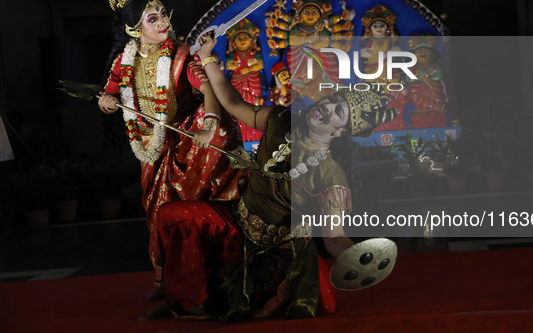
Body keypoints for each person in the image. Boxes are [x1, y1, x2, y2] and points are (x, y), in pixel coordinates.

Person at [142, 33, 397, 320]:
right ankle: (177, 296)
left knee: (322, 303)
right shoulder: (280, 120)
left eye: (338, 112)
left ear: (341, 131)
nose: (326, 109)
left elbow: (334, 237)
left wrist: (360, 258)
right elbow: (232, 102)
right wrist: (208, 57)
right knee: (170, 214)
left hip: (281, 250)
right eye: (332, 101)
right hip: (238, 221)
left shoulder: (331, 177)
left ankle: (307, 274)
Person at [97, 0, 243, 302]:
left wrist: (209, 125)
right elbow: (112, 89)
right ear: (135, 30)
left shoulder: (179, 55)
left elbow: (207, 89)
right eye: (153, 18)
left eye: (163, 14)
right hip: (152, 147)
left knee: (193, 212)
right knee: (156, 213)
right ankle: (165, 281)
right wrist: (105, 99)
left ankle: (211, 277)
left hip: (190, 146)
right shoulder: (125, 60)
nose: (164, 21)